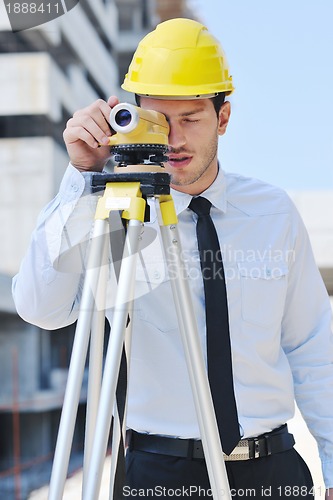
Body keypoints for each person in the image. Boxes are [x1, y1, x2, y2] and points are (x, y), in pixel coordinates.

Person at [12, 18, 333, 499]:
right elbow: (41, 306)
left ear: (223, 118)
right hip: (160, 475)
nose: (175, 139)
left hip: (270, 471)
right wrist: (81, 179)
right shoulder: (122, 221)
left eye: (191, 119)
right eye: (160, 120)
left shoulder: (271, 214)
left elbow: (312, 347)